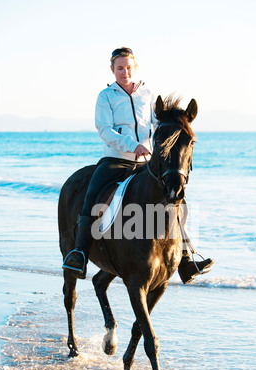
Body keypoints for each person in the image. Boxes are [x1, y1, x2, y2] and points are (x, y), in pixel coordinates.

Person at [62, 47, 213, 282]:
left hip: (145, 163)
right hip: (115, 160)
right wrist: (132, 145)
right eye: (120, 68)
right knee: (91, 197)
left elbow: (159, 122)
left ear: (135, 68)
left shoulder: (147, 94)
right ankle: (79, 253)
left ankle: (185, 258)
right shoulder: (106, 96)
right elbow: (104, 128)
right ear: (112, 70)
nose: (125, 72)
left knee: (176, 199)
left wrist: (175, 126)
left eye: (128, 67)